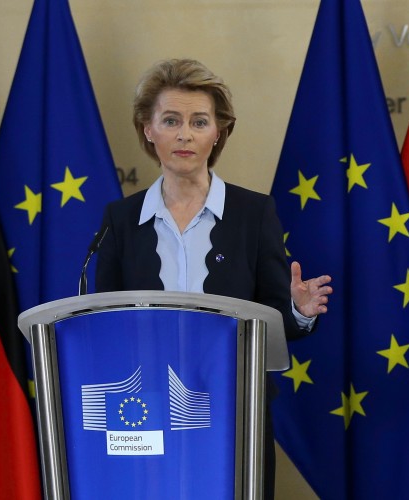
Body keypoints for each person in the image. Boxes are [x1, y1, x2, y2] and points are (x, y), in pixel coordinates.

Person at [93, 58, 331, 496]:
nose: (184, 134)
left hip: (234, 408)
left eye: (199, 121)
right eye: (171, 120)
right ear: (148, 129)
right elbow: (102, 321)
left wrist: (296, 310)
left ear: (217, 132)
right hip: (145, 411)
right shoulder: (121, 220)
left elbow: (276, 324)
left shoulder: (254, 214)